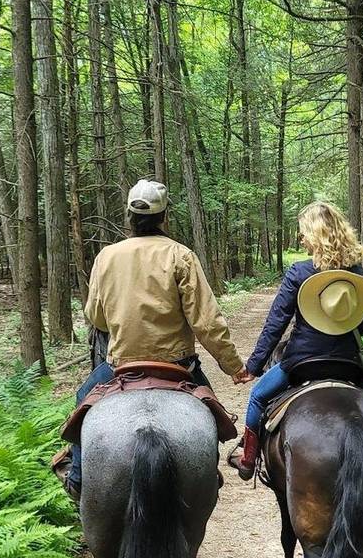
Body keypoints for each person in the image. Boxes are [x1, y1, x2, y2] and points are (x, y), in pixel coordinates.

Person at [55, 178, 252, 500]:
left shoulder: (107, 256)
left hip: (121, 364)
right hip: (178, 365)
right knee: (216, 420)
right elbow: (206, 322)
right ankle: (206, 477)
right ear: (164, 217)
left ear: (130, 216)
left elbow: (96, 316)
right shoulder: (180, 255)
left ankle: (77, 479)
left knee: (82, 402)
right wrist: (233, 366)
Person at [229, 201, 363, 480]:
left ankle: (248, 459)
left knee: (258, 397)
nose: (301, 238)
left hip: (302, 362)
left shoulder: (299, 272)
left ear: (316, 234)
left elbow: (276, 323)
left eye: (303, 232)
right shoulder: (357, 273)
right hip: (349, 363)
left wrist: (254, 366)